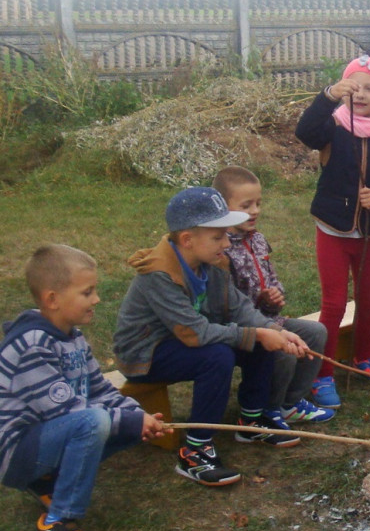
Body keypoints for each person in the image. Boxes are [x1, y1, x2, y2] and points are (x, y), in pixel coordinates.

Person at [114, 187, 312, 488]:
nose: (227, 242)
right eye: (218, 236)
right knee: (218, 356)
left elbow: (239, 307)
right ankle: (195, 450)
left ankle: (251, 420)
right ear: (187, 240)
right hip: (145, 355)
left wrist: (276, 331)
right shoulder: (158, 275)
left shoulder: (213, 264)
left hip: (182, 340)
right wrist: (257, 333)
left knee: (257, 341)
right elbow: (195, 333)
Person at [0, 245, 171, 531]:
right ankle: (56, 523)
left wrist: (138, 416)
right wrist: (127, 420)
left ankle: (49, 480)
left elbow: (99, 390)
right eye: (87, 292)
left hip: (48, 437)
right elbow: (67, 411)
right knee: (95, 422)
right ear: (53, 299)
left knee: (124, 423)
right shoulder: (31, 346)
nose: (97, 299)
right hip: (16, 453)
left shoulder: (73, 337)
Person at [295, 55, 370, 404]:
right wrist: (328, 96)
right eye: (354, 87)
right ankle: (323, 373)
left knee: (368, 298)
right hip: (333, 231)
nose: (360, 94)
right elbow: (304, 132)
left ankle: (364, 358)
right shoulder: (331, 126)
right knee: (333, 303)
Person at [212, 166, 332, 424]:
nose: (255, 210)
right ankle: (268, 407)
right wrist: (260, 304)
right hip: (241, 329)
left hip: (270, 319)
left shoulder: (257, 240)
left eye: (258, 203)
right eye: (246, 205)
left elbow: (271, 277)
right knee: (283, 351)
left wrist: (275, 295)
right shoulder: (219, 249)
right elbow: (227, 305)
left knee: (316, 333)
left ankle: (290, 402)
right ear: (222, 207)